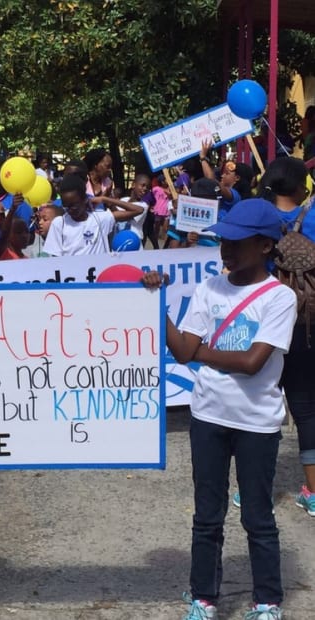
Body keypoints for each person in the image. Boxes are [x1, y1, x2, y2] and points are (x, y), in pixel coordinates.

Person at [142, 199, 297, 620]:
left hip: (256, 424)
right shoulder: (210, 288)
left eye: (237, 241)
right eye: (222, 240)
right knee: (206, 516)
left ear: (265, 245)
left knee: (257, 517)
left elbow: (252, 363)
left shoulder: (280, 298)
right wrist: (157, 302)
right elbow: (182, 351)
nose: (225, 249)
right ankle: (203, 597)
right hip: (208, 417)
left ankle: (267, 601)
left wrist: (202, 352)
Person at [258, 157, 315, 517]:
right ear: (299, 186)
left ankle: (253, 489)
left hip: (262, 322)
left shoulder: (257, 217)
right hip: (307, 322)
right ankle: (311, 491)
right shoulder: (313, 217)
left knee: (260, 405)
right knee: (306, 407)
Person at [42, 175, 141, 256]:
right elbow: (55, 259)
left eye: (74, 205)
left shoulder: (101, 218)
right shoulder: (59, 223)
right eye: (66, 206)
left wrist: (105, 199)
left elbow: (138, 210)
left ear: (85, 199)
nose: (70, 210)